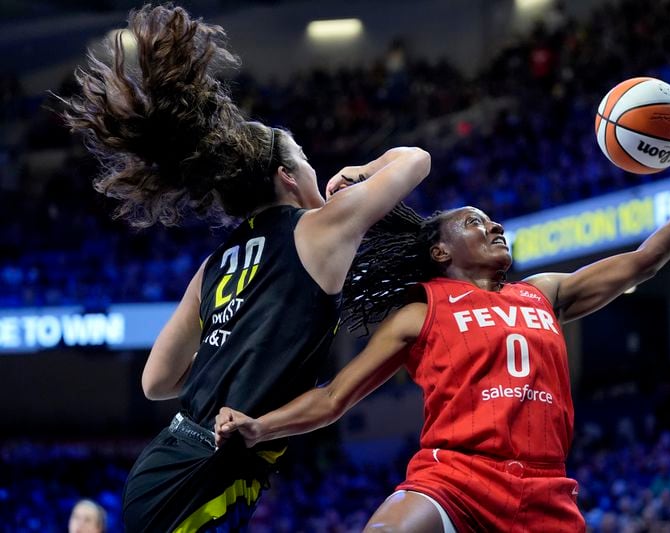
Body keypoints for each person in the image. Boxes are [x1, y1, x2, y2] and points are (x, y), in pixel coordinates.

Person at [215, 118, 670, 531]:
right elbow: (334, 400)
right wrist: (261, 427)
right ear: (440, 250)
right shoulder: (421, 311)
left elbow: (643, 261)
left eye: (492, 221)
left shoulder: (544, 292)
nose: (494, 225)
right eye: (474, 222)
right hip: (456, 477)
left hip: (545, 491)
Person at [60, 4, 430, 531]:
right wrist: (363, 170)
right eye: (304, 156)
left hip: (164, 463)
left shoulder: (214, 264)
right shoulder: (320, 230)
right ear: (286, 174)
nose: (314, 167)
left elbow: (156, 380)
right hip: (207, 473)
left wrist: (229, 359)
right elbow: (417, 159)